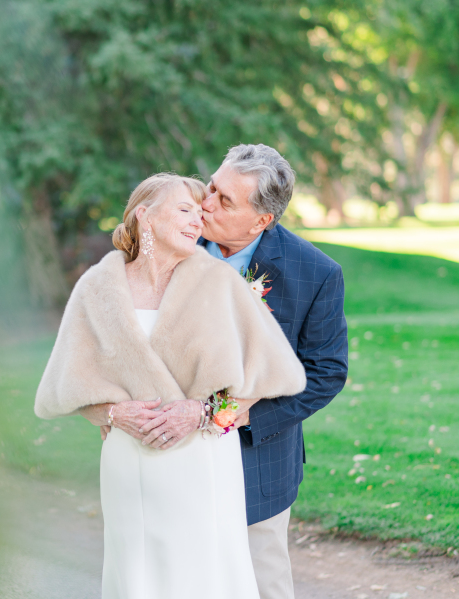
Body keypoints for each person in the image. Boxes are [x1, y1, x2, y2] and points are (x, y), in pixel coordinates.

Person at [34, 173, 307, 599]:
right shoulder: (97, 288)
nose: (198, 219)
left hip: (205, 458)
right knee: (137, 577)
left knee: (207, 577)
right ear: (145, 215)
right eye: (185, 209)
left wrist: (200, 413)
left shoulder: (220, 283)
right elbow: (67, 386)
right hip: (128, 459)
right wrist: (111, 412)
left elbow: (272, 376)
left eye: (201, 212)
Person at [139, 145, 349, 599]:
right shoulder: (167, 242)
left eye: (224, 200)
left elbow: (325, 372)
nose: (206, 202)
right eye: (211, 186)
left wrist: (226, 413)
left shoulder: (314, 274)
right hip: (163, 453)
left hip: (256, 460)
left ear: (261, 221)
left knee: (261, 583)